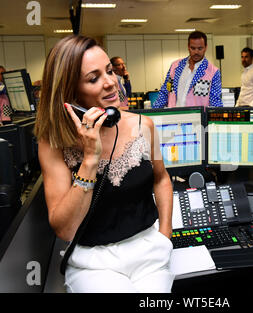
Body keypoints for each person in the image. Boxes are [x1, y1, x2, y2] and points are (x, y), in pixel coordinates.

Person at [34, 35, 174, 293]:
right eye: (93, 78)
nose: (111, 83)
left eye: (109, 71)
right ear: (70, 92)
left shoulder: (143, 125)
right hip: (94, 261)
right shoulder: (53, 143)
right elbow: (64, 229)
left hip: (149, 251)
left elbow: (161, 178)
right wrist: (89, 159)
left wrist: (165, 231)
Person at [153, 30, 222, 108]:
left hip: (197, 118)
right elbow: (165, 92)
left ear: (206, 47)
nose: (196, 52)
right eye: (193, 48)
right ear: (188, 47)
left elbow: (215, 102)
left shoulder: (213, 72)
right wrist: (153, 112)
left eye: (200, 48)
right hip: (174, 117)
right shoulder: (175, 66)